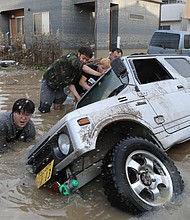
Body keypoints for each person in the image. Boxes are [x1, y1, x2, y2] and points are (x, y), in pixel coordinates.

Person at [38, 46, 104, 113]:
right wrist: (99, 74)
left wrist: (78, 98)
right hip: (48, 83)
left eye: (87, 60)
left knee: (58, 107)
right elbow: (83, 67)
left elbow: (71, 84)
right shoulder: (71, 57)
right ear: (78, 54)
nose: (84, 61)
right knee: (44, 110)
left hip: (61, 86)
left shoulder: (78, 70)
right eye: (83, 58)